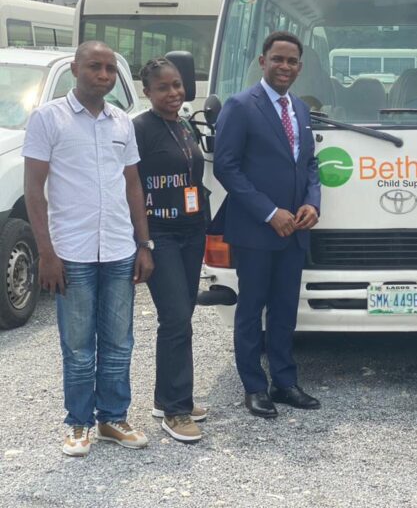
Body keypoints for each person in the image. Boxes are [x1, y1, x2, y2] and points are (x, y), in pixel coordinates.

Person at [23, 41, 153, 457]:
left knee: (120, 342)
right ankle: (78, 423)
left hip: (118, 249)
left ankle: (113, 418)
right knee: (78, 346)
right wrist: (47, 252)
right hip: (72, 252)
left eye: (110, 68)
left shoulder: (122, 123)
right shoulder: (48, 118)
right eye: (94, 67)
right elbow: (33, 190)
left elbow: (133, 185)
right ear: (76, 68)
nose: (103, 75)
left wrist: (143, 243)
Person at [213, 31, 321, 419]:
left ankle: (285, 382)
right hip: (258, 230)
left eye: (292, 62)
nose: (285, 67)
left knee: (284, 309)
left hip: (295, 231)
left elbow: (309, 164)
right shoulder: (241, 106)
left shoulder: (301, 110)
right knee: (251, 309)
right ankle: (254, 387)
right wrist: (269, 212)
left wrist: (312, 202)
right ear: (262, 62)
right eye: (278, 59)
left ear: (300, 67)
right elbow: (226, 166)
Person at [133, 58, 209, 443]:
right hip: (159, 233)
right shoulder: (140, 129)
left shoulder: (183, 125)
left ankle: (170, 397)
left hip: (192, 232)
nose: (173, 93)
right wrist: (142, 243)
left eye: (177, 85)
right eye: (163, 88)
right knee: (176, 316)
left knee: (182, 317)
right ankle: (176, 412)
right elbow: (129, 190)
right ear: (147, 92)